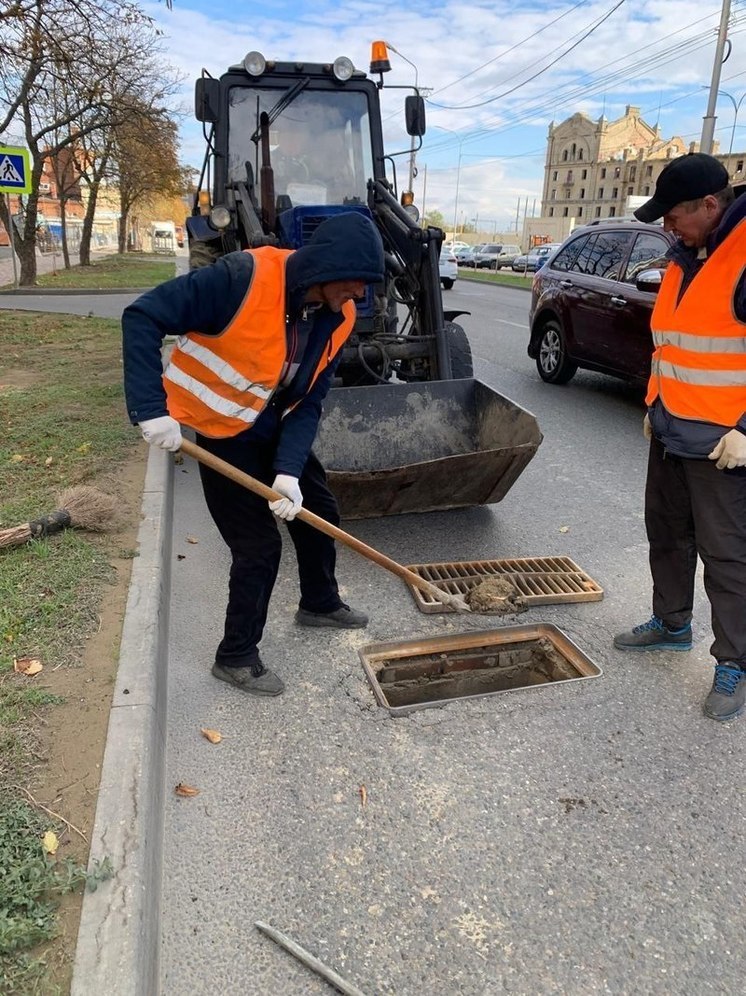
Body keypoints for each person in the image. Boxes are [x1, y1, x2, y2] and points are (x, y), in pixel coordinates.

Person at [122, 212, 385, 697]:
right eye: (354, 284)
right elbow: (143, 315)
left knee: (317, 509)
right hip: (224, 431)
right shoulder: (240, 278)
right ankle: (236, 656)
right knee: (259, 547)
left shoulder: (338, 317)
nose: (358, 297)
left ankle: (319, 602)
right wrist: (149, 408)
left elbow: (309, 400)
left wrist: (288, 471)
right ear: (328, 266)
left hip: (273, 422)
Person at [613, 153, 746, 722]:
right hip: (670, 426)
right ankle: (671, 624)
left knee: (727, 555)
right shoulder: (683, 257)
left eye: (674, 215)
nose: (666, 225)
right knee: (665, 532)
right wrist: (654, 403)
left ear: (710, 206)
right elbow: (672, 342)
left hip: (723, 443)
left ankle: (736, 663)